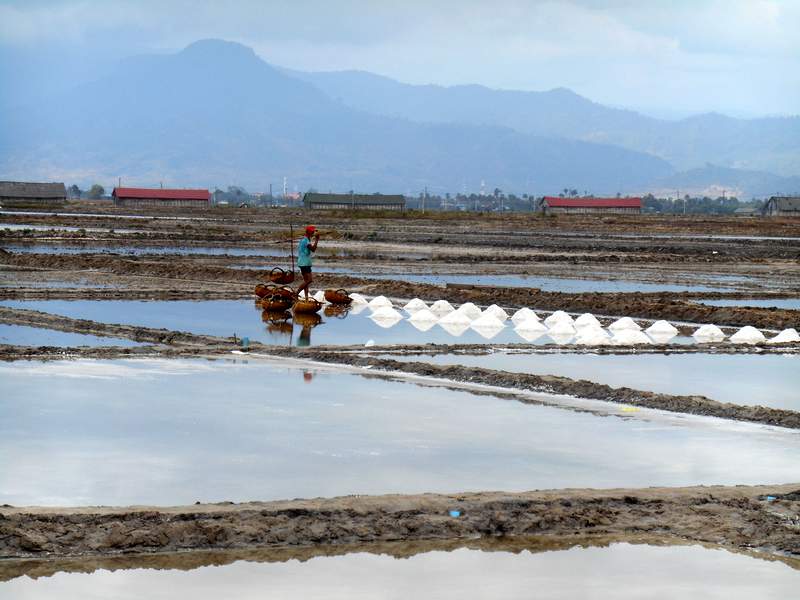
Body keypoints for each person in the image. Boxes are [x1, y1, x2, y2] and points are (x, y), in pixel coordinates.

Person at [296, 225, 320, 299]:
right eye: (312, 231)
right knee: (309, 280)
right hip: (304, 263)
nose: (313, 232)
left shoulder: (306, 239)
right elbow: (313, 249)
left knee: (306, 281)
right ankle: (296, 293)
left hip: (303, 262)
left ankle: (306, 297)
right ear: (309, 232)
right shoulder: (305, 240)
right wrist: (317, 240)